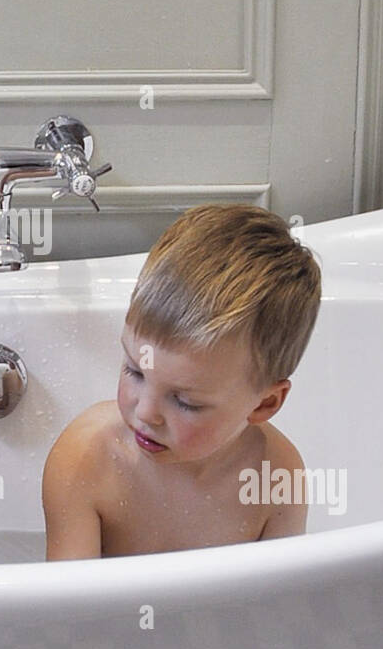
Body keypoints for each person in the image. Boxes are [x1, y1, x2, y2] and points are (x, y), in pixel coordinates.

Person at [43, 204, 321, 558]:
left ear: (265, 403)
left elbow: (277, 602)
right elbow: (68, 607)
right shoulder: (86, 458)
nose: (145, 413)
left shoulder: (276, 476)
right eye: (134, 371)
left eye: (185, 402)